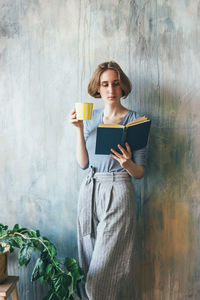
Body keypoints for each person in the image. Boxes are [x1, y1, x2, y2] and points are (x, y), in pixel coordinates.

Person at [69, 61, 147, 300]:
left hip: (119, 189)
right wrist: (79, 130)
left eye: (115, 83)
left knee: (100, 278)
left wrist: (127, 164)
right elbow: (83, 164)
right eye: (105, 84)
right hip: (90, 190)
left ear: (123, 87)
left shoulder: (136, 120)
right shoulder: (90, 117)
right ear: (98, 89)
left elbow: (140, 172)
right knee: (87, 267)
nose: (111, 89)